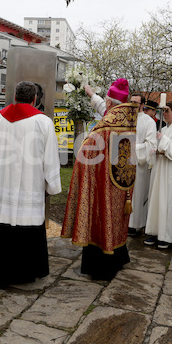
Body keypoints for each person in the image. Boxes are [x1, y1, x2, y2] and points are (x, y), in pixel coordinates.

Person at [0, 81, 61, 286]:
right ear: (34, 99)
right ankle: (25, 272)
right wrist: (51, 184)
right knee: (26, 222)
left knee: (0, 221)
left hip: (0, 182)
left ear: (14, 96)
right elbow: (50, 157)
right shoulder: (43, 122)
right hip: (28, 183)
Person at [62, 78, 137, 280]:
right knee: (117, 219)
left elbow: (87, 154)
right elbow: (103, 106)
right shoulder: (127, 119)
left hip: (104, 181)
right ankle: (119, 256)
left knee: (102, 215)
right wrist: (89, 93)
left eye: (106, 99)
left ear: (111, 103)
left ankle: (101, 265)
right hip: (123, 182)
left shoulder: (104, 128)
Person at [143, 101, 172, 249]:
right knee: (156, 199)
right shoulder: (163, 128)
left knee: (168, 202)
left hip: (171, 172)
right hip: (159, 169)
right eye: (163, 111)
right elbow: (158, 147)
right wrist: (154, 149)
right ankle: (155, 232)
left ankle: (167, 236)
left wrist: (163, 139)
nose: (165, 114)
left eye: (168, 111)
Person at [127, 93, 157, 237]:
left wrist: (133, 149)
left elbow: (151, 144)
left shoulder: (149, 122)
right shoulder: (124, 118)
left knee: (137, 194)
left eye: (136, 102)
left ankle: (135, 224)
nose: (133, 104)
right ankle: (122, 222)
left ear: (142, 105)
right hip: (123, 163)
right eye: (131, 101)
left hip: (139, 164)